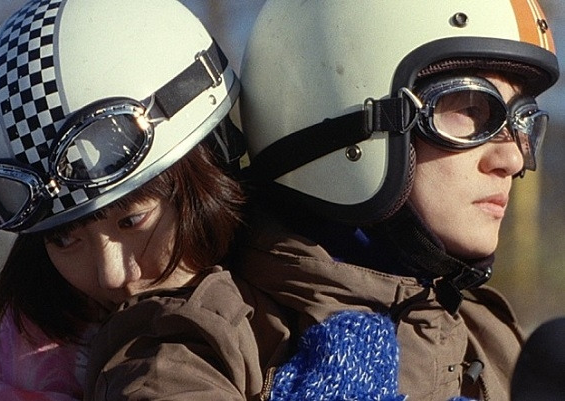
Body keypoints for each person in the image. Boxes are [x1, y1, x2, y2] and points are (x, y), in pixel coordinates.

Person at [233, 1, 560, 400]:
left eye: (522, 121)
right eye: (471, 109)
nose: (511, 160)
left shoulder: (500, 345)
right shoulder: (204, 341)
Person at [0, 0, 262, 399]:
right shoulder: (2, 381)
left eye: (132, 221)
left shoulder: (318, 293)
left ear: (215, 163)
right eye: (64, 239)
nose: (111, 276)